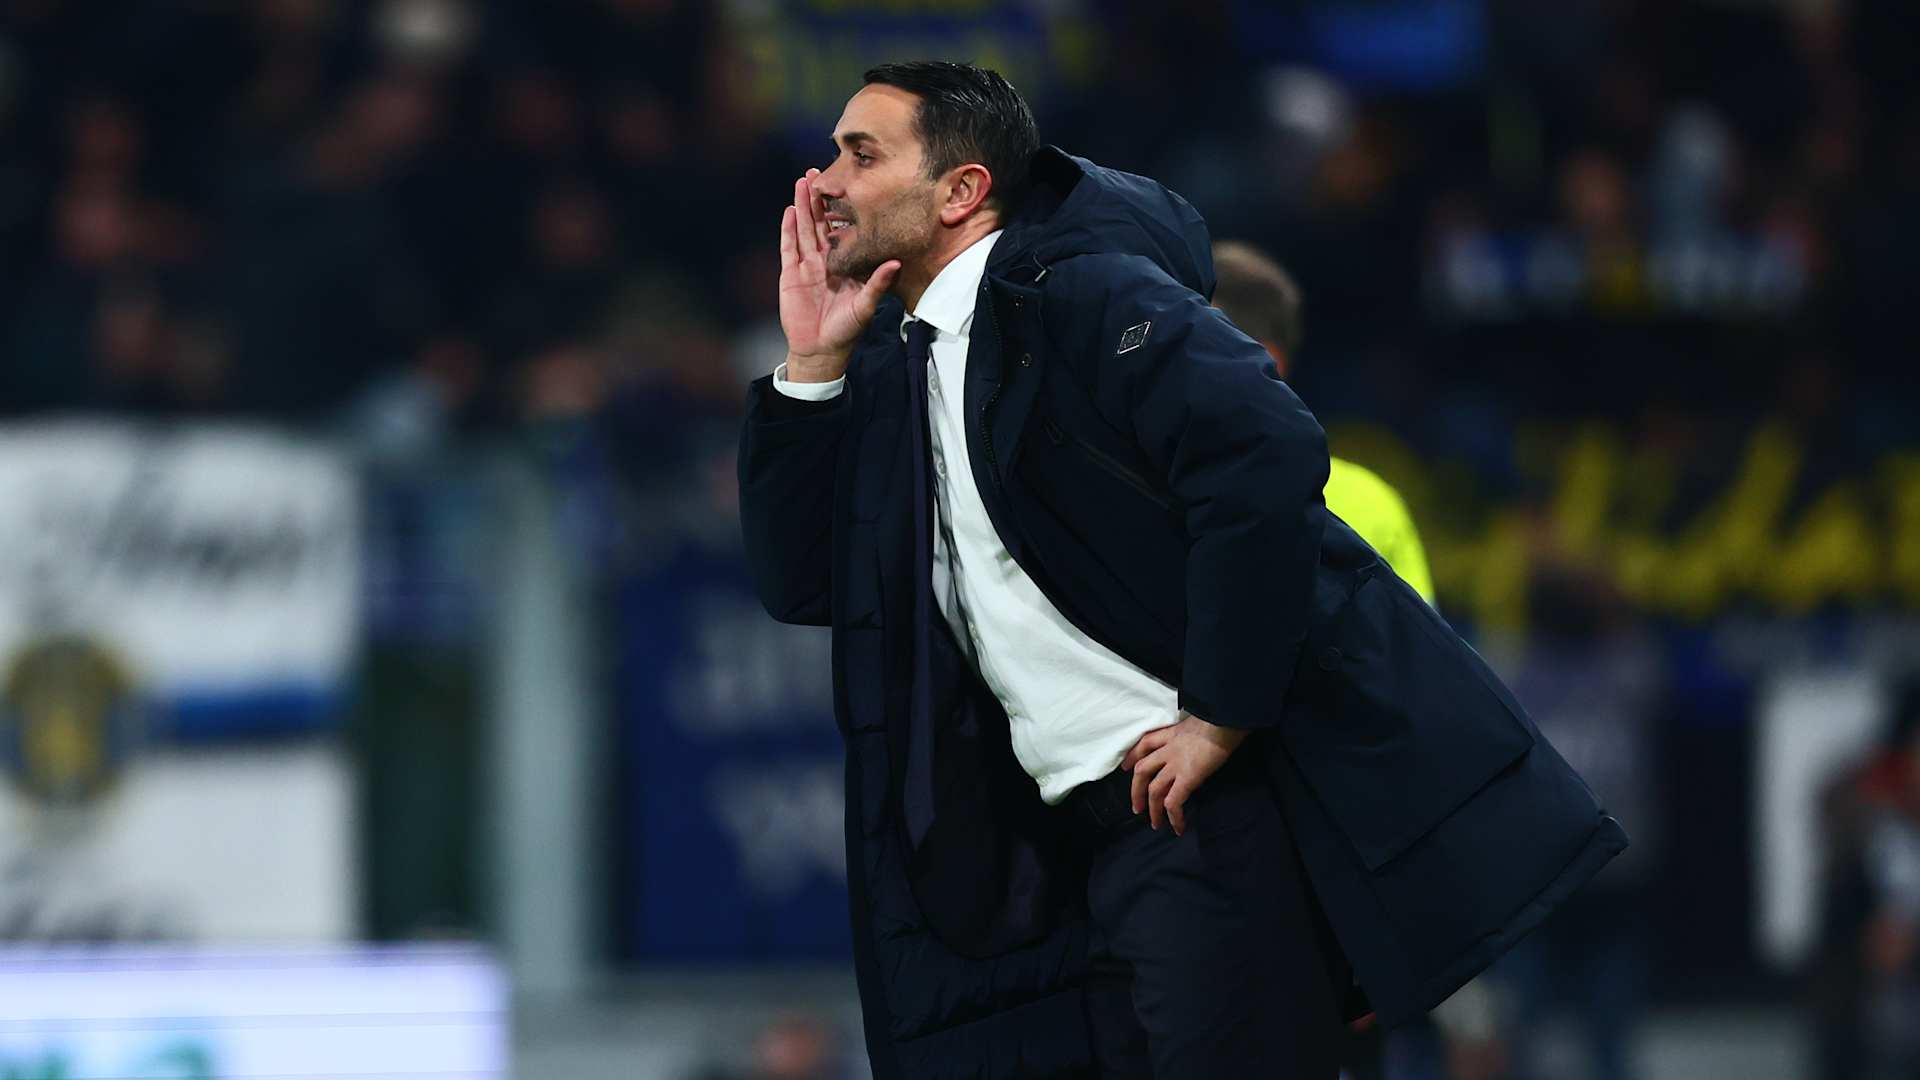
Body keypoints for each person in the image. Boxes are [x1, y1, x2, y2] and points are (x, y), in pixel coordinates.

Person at [739, 61, 1624, 1079]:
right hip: (1058, 850)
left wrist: (1218, 714)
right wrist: (813, 367)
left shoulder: (1081, 296)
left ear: (960, 191)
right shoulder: (907, 361)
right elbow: (810, 584)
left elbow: (1264, 452)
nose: (825, 182)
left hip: (1196, 816)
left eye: (861, 154)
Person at [1210, 240, 1434, 605]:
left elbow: (1414, 642)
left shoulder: (1368, 508)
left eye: (1188, 346)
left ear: (1263, 363)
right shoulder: (1130, 474)